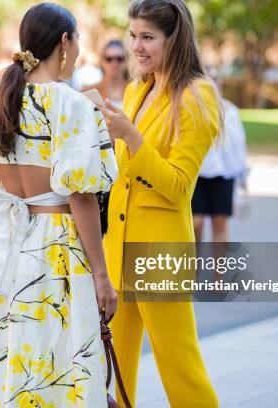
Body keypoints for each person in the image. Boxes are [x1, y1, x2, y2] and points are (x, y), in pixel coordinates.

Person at [0, 3, 118, 406]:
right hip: (55, 248)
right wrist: (102, 276)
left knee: (9, 349)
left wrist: (4, 183)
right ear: (65, 42)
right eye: (78, 40)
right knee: (59, 357)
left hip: (5, 238)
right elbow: (81, 197)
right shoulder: (74, 106)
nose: (80, 51)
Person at [98, 0, 223, 406]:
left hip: (160, 254)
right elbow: (123, 174)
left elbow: (180, 186)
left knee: (179, 364)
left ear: (175, 39)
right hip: (118, 246)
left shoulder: (197, 97)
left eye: (148, 37)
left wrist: (131, 137)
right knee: (112, 366)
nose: (136, 46)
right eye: (133, 35)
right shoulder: (136, 89)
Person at [193, 96, 248, 242]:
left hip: (223, 173)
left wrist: (242, 175)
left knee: (220, 224)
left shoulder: (229, 110)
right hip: (196, 174)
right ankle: (194, 264)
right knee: (195, 223)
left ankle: (219, 265)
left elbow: (238, 145)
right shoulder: (190, 106)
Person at [82, 39, 130, 110]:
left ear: (127, 61)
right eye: (109, 59)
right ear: (102, 61)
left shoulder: (137, 91)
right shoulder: (89, 92)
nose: (114, 64)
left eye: (119, 59)